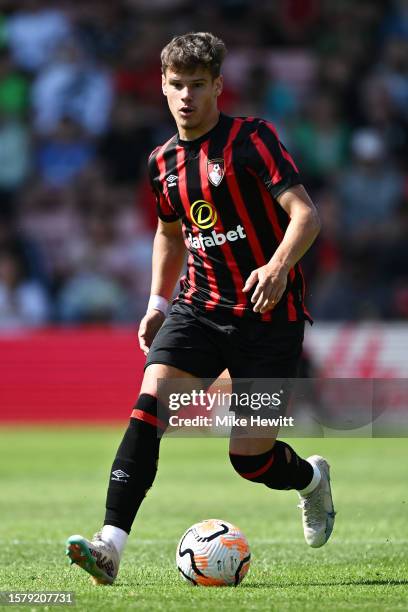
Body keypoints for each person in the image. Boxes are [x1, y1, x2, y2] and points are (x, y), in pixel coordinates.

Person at [65, 32, 335, 585]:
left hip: (268, 317)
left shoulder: (252, 141)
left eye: (197, 85)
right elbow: (169, 233)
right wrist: (158, 302)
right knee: (149, 404)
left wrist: (279, 266)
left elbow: (305, 216)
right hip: (199, 307)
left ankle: (310, 480)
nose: (186, 96)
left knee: (250, 460)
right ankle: (109, 546)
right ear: (162, 88)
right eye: (176, 85)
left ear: (217, 85)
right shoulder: (161, 162)